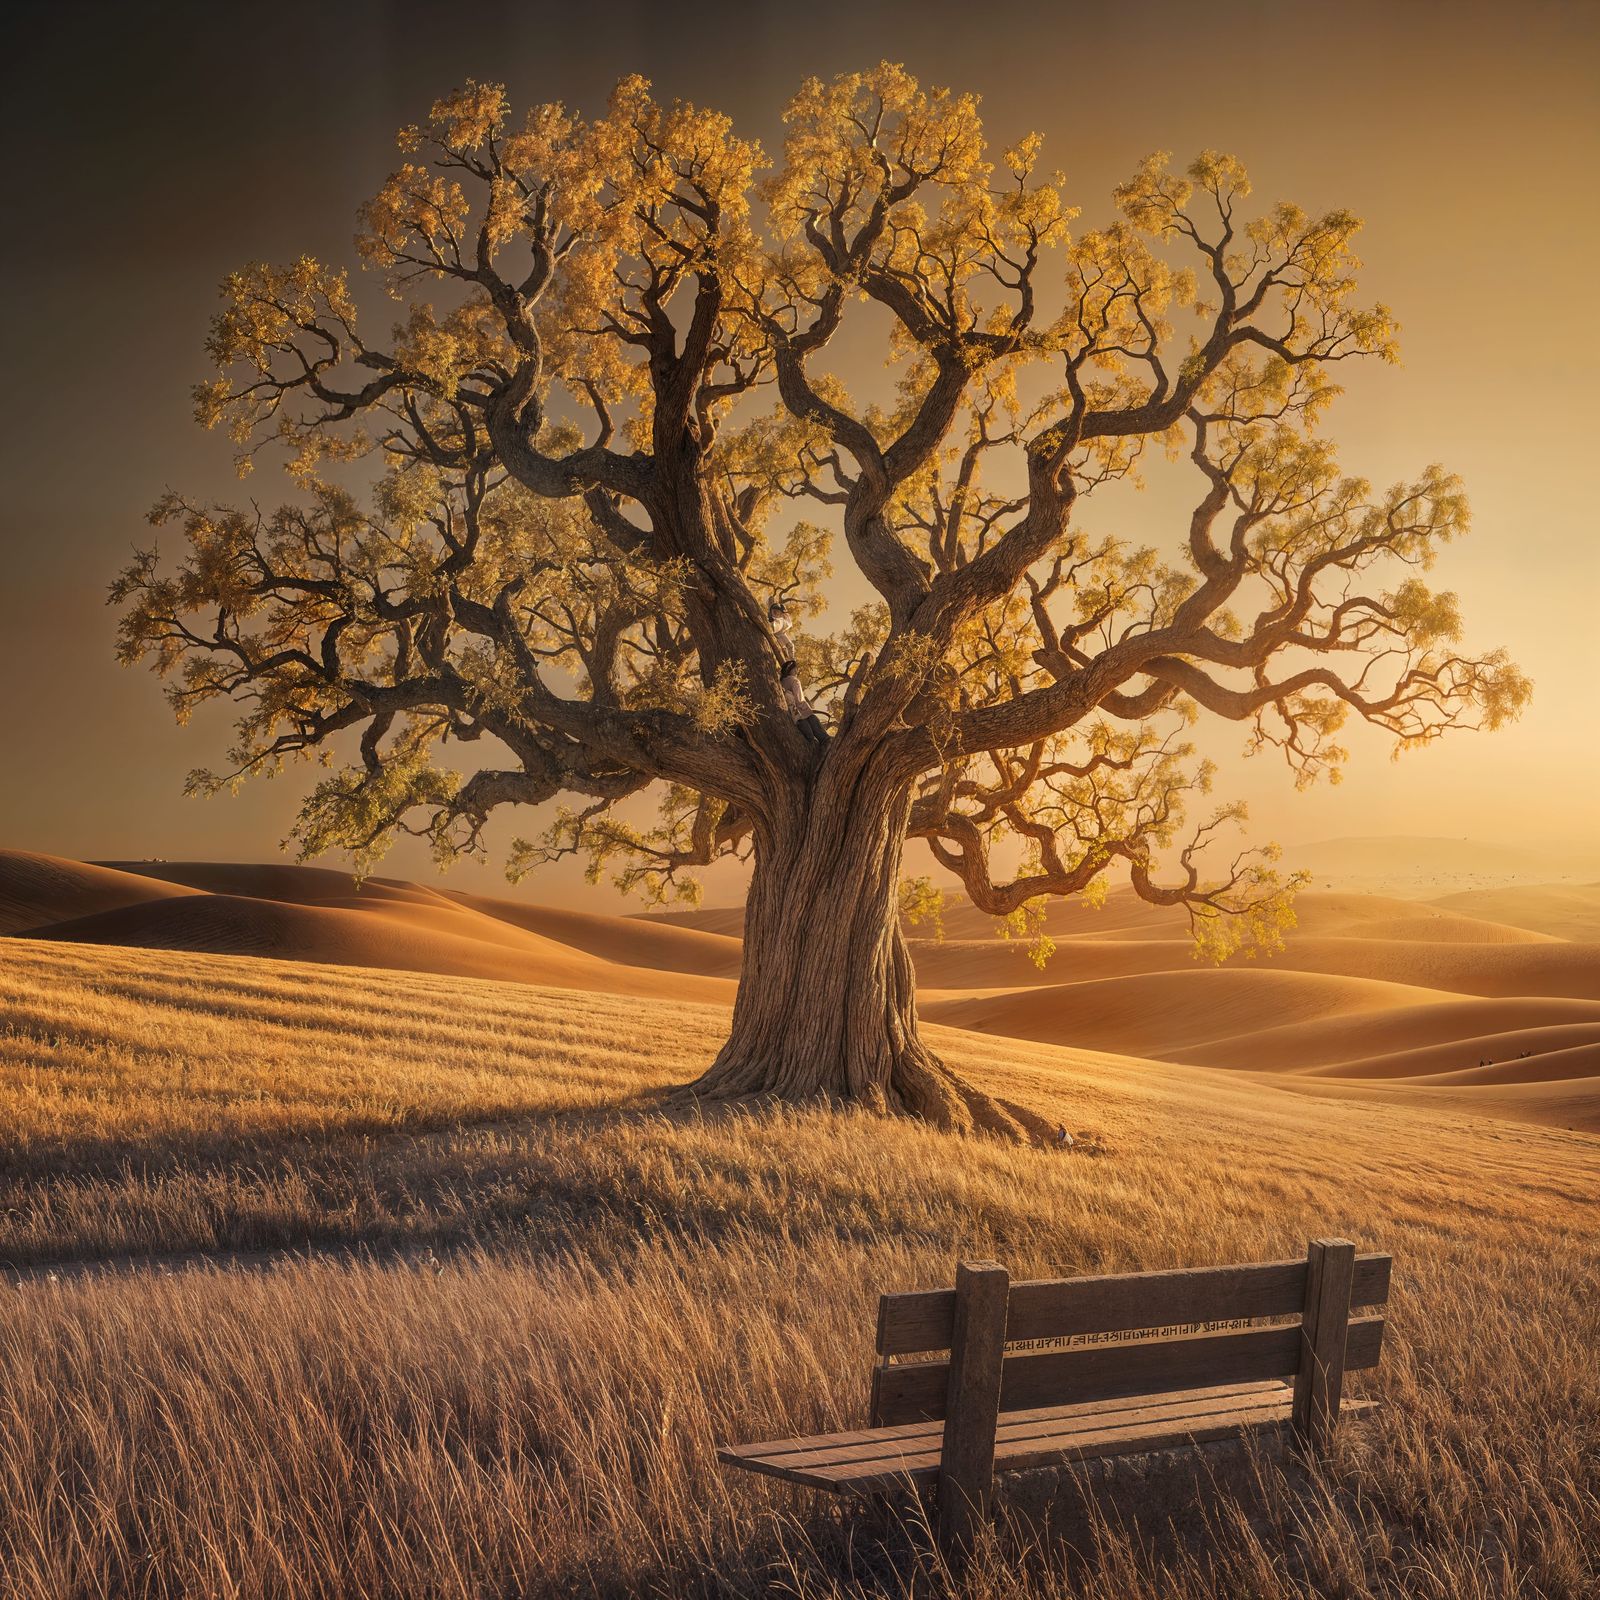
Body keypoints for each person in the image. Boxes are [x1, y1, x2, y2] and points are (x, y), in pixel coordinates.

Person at [778, 658, 829, 746]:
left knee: (810, 737)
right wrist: (807, 710)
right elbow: (799, 699)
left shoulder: (781, 682)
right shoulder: (794, 680)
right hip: (802, 711)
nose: (796, 671)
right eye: (795, 669)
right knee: (822, 735)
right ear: (792, 669)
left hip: (792, 714)